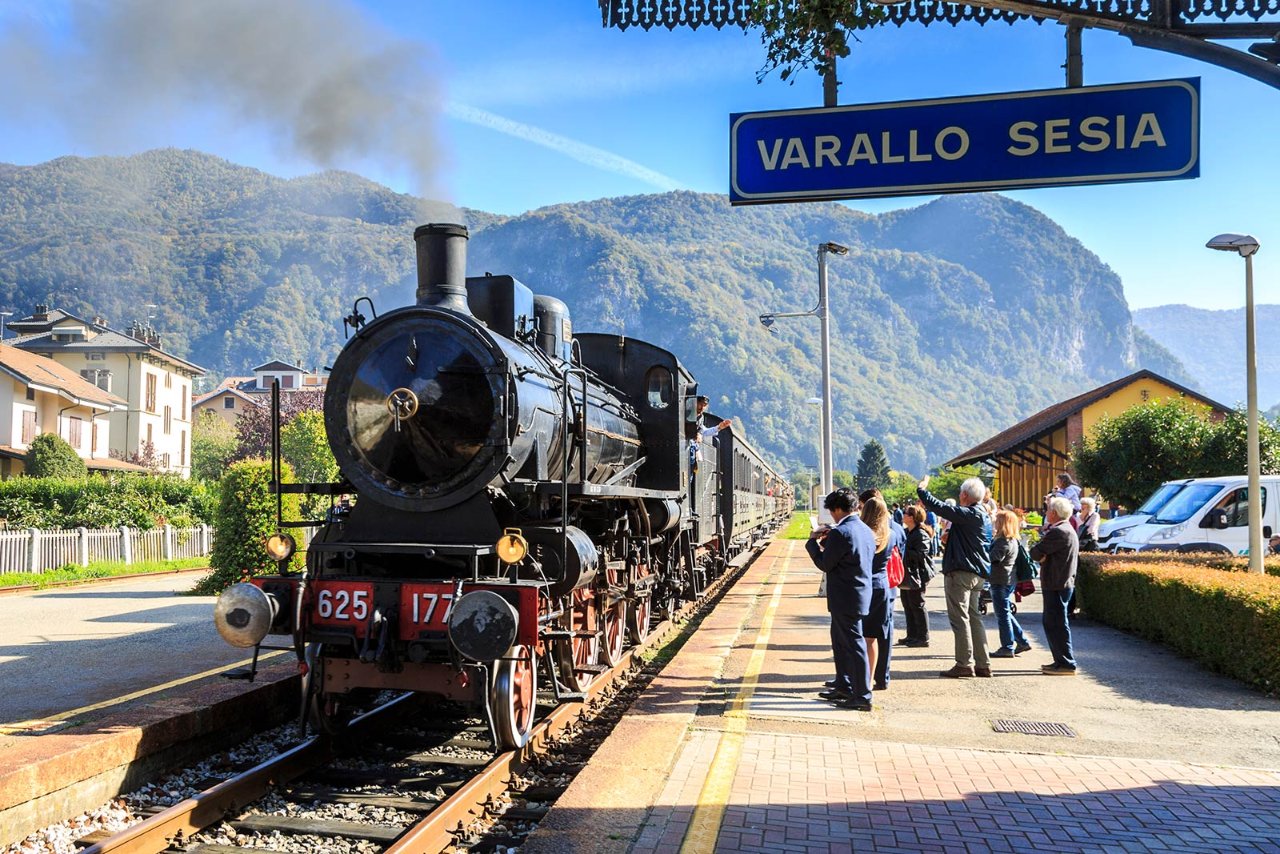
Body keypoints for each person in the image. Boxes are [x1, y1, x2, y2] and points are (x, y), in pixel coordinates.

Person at [805, 489, 876, 711]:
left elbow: (826, 564)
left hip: (845, 596)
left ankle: (862, 695)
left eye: (831, 512)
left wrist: (813, 543)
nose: (831, 516)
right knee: (841, 640)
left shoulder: (841, 532)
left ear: (837, 509)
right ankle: (844, 684)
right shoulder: (864, 529)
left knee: (853, 645)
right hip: (858, 594)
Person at [916, 475, 992, 678]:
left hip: (961, 572)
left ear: (965, 495)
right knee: (974, 617)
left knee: (960, 618)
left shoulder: (969, 514)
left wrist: (922, 490)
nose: (959, 496)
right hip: (977, 572)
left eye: (960, 493)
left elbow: (940, 507)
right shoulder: (983, 515)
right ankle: (983, 663)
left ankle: (964, 663)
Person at [859, 490, 905, 691]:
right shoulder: (892, 534)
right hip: (884, 587)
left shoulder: (862, 534)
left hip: (864, 587)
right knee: (879, 637)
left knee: (861, 637)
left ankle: (862, 679)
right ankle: (877, 679)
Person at [1031, 496, 1081, 675]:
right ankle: (1060, 661)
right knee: (1054, 623)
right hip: (1060, 582)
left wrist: (1042, 553)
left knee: (1056, 624)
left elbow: (1036, 553)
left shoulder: (1058, 532)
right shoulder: (1066, 529)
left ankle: (1066, 663)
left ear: (1053, 513)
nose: (1046, 513)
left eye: (1047, 510)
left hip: (1056, 583)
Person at [988, 509, 1032, 659]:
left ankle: (1007, 646)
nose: (994, 522)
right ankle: (1022, 641)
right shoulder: (1013, 540)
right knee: (1005, 612)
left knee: (1002, 615)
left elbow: (993, 558)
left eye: (997, 520)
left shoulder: (1002, 541)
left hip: (1000, 580)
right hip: (1008, 580)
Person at [898, 505, 935, 647]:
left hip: (918, 574)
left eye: (906, 513)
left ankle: (923, 637)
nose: (903, 514)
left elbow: (921, 554)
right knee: (907, 604)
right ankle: (912, 635)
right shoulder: (908, 532)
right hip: (907, 573)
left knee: (917, 604)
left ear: (912, 517)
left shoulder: (920, 534)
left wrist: (904, 552)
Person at [688, 395, 730, 471]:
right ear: (695, 403)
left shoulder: (701, 417)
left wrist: (719, 427)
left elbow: (704, 431)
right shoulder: (687, 414)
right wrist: (695, 434)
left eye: (704, 405)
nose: (702, 407)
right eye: (700, 404)